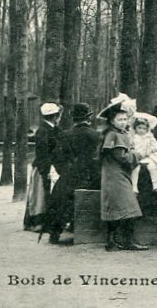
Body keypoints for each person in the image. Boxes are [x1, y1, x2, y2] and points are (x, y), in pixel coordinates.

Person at [43, 103, 101, 245]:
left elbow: (56, 157)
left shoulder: (64, 135)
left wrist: (65, 172)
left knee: (60, 201)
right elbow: (99, 157)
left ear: (74, 119)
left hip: (70, 175)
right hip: (92, 176)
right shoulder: (96, 135)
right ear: (89, 118)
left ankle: (54, 234)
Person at [98, 94, 147, 251]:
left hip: (117, 176)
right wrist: (138, 154)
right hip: (115, 177)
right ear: (112, 121)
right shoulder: (113, 135)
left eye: (125, 119)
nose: (123, 122)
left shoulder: (118, 134)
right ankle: (123, 241)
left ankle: (114, 241)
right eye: (120, 120)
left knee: (119, 210)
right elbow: (122, 157)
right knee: (129, 208)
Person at [24, 102, 63, 232]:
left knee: (47, 194)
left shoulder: (54, 129)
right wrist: (46, 168)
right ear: (55, 116)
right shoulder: (43, 131)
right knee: (39, 195)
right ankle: (37, 223)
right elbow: (42, 153)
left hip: (52, 166)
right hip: (43, 167)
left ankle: (47, 222)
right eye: (58, 115)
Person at [130, 114, 157, 195]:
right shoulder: (133, 137)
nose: (141, 130)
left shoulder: (149, 137)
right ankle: (134, 186)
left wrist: (149, 150)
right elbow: (131, 146)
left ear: (147, 129)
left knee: (152, 166)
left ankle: (155, 184)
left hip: (148, 156)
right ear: (135, 128)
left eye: (144, 129)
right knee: (136, 168)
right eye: (139, 128)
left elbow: (156, 146)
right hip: (137, 157)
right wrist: (133, 152)